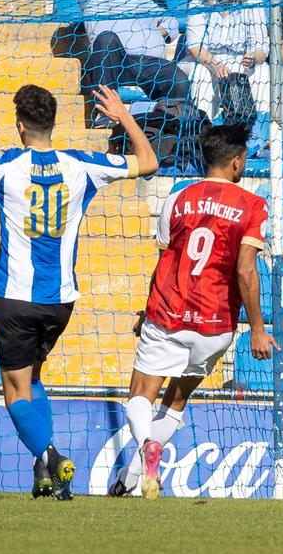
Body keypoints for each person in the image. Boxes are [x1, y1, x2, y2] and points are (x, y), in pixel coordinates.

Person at [0, 83, 157, 500]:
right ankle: (44, 475)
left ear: (20, 127)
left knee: (14, 391)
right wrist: (123, 115)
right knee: (33, 377)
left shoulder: (5, 164)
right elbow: (149, 161)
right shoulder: (82, 164)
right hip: (60, 301)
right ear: (54, 123)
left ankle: (50, 455)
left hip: (14, 297)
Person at [113, 123, 268, 500]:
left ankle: (147, 444)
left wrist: (147, 308)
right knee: (176, 402)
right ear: (236, 162)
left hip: (168, 313)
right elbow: (246, 269)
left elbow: (167, 257)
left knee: (140, 395)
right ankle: (130, 479)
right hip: (215, 325)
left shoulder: (178, 199)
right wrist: (258, 330)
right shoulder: (252, 206)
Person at [75, 0, 194, 104]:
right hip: (115, 63)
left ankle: (174, 125)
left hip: (150, 64)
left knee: (178, 80)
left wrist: (156, 32)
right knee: (107, 38)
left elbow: (172, 22)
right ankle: (104, 114)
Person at [184, 0, 271, 121]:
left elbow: (261, 47)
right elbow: (195, 47)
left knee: (262, 71)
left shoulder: (253, 2)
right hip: (204, 60)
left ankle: (259, 133)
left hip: (239, 60)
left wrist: (254, 58)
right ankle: (203, 128)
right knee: (202, 73)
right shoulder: (198, 1)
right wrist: (215, 66)